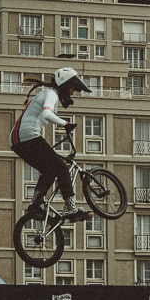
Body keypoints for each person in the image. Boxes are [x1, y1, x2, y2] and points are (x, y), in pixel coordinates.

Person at [10, 68, 93, 221]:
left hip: (18, 141)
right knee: (62, 168)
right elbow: (47, 114)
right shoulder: (51, 94)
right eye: (72, 88)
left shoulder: (48, 94)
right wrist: (66, 124)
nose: (72, 93)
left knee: (49, 171)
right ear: (65, 85)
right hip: (27, 136)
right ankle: (72, 209)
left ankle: (35, 204)